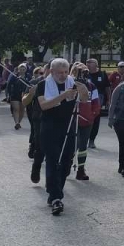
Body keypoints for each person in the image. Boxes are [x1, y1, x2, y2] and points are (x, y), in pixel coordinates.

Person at [37, 59, 90, 215]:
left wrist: (83, 91)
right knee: (53, 161)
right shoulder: (43, 85)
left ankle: (54, 190)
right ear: (52, 72)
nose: (63, 75)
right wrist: (63, 95)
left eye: (66, 72)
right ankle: (56, 198)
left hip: (68, 128)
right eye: (60, 72)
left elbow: (84, 100)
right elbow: (44, 105)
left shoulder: (72, 83)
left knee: (66, 163)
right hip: (50, 128)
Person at [25, 66, 48, 183]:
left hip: (58, 119)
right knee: (40, 145)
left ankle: (52, 180)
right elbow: (25, 101)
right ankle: (36, 167)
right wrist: (30, 94)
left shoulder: (66, 83)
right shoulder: (36, 83)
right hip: (39, 117)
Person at [83, 58, 110, 149]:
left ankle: (92, 140)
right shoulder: (85, 74)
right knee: (85, 119)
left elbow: (107, 87)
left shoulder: (102, 74)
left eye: (90, 62)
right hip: (86, 100)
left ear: (96, 64)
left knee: (96, 120)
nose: (88, 64)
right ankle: (84, 139)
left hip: (98, 101)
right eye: (87, 63)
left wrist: (108, 99)